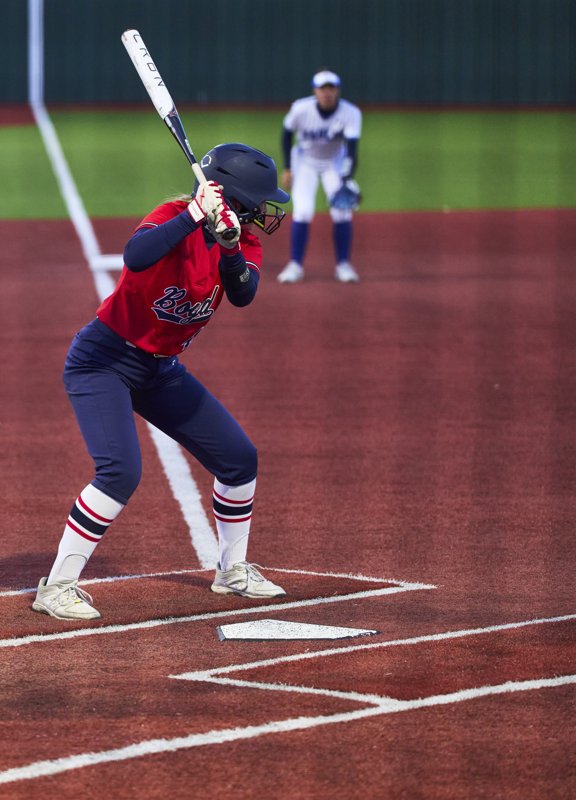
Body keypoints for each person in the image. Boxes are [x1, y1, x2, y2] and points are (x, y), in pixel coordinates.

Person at [32, 143, 290, 621]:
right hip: (104, 360)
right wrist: (194, 214)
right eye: (259, 200)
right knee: (120, 472)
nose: (266, 210)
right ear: (233, 196)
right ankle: (57, 587)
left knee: (238, 459)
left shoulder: (245, 240)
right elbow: (135, 255)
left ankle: (231, 571)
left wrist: (230, 247)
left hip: (161, 369)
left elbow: (243, 294)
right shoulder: (173, 214)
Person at [276, 69, 364, 284]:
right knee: (303, 211)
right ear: (315, 90)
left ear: (337, 90)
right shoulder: (300, 108)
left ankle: (343, 265)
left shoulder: (350, 113)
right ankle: (295, 265)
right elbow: (286, 135)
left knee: (342, 212)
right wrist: (288, 168)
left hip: (334, 162)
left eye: (331, 88)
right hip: (305, 161)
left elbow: (352, 150)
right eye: (322, 89)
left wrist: (346, 178)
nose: (327, 93)